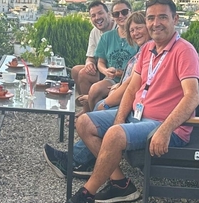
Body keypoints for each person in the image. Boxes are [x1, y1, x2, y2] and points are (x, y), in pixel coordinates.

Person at [61, 0, 199, 203]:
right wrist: (119, 118)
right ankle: (120, 183)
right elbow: (131, 88)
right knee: (85, 121)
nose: (156, 23)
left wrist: (164, 130)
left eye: (163, 17)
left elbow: (192, 97)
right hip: (138, 117)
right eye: (151, 18)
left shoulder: (184, 51)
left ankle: (87, 194)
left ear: (175, 19)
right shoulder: (147, 50)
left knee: (115, 133)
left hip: (163, 125)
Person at [43, 12, 150, 178]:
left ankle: (78, 161)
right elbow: (126, 82)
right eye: (132, 30)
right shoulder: (143, 52)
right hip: (130, 99)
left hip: (138, 108)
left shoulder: (148, 54)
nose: (135, 33)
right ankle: (80, 159)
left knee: (96, 111)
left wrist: (107, 102)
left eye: (139, 28)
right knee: (94, 109)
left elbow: (132, 87)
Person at [84, 0, 137, 112]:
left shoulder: (138, 36)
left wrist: (124, 75)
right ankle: (93, 118)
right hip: (112, 78)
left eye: (124, 12)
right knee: (95, 89)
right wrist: (106, 71)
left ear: (131, 12)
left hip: (132, 80)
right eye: (116, 14)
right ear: (112, 16)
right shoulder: (107, 37)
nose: (120, 16)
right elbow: (100, 61)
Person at [71, 0, 115, 102]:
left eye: (100, 13)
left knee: (83, 74)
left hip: (112, 70)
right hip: (101, 68)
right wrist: (89, 63)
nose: (97, 18)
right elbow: (90, 56)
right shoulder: (95, 32)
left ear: (108, 14)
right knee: (75, 70)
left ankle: (88, 110)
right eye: (93, 15)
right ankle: (86, 105)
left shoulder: (117, 29)